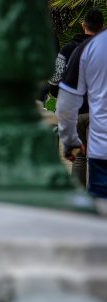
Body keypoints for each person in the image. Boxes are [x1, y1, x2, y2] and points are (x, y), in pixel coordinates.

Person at [56, 10, 105, 188]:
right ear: (102, 27)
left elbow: (56, 80)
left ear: (83, 25)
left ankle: (78, 196)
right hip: (99, 113)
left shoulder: (69, 49)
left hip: (76, 111)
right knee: (97, 158)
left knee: (79, 158)